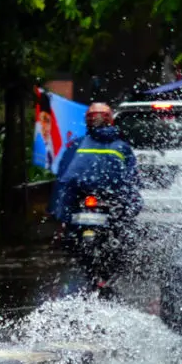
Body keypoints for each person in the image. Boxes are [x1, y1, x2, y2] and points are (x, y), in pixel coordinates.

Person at [48, 102, 143, 292]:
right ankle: (107, 276)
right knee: (126, 234)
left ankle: (94, 275)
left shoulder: (76, 145)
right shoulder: (121, 146)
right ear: (111, 121)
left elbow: (63, 178)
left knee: (73, 239)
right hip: (109, 202)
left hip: (85, 202)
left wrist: (59, 214)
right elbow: (132, 180)